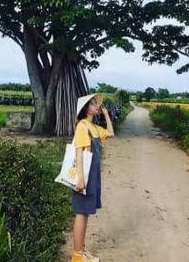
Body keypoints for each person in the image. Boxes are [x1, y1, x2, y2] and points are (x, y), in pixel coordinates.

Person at [71, 94, 114, 262]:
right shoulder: (82, 126)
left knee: (86, 212)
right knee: (81, 213)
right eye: (94, 104)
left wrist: (105, 114)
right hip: (85, 175)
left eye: (98, 104)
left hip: (93, 174)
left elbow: (111, 133)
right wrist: (80, 179)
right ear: (85, 108)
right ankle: (76, 255)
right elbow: (79, 152)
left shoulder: (94, 127)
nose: (97, 106)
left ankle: (81, 250)